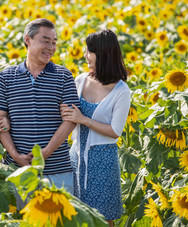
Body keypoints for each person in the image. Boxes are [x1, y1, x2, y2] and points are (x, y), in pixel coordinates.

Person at [0, 18, 80, 196]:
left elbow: (70, 120)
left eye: (54, 43)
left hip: (57, 170)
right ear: (27, 40)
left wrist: (45, 152)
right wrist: (15, 155)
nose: (51, 47)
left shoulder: (64, 76)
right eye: (45, 41)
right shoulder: (7, 77)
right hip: (16, 171)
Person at [61, 29, 130, 226]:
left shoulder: (121, 91)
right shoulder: (80, 80)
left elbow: (115, 131)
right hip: (76, 156)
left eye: (89, 51)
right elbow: (68, 114)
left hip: (103, 160)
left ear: (103, 54)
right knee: (75, 215)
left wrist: (84, 119)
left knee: (104, 218)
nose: (85, 55)